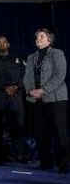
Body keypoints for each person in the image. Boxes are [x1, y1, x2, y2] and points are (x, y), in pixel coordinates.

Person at [23, 28, 69, 173]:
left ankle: (64, 164)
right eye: (37, 36)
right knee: (41, 132)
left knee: (59, 133)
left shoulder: (57, 53)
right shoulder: (31, 57)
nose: (38, 38)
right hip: (37, 100)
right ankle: (46, 162)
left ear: (49, 39)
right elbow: (27, 77)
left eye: (41, 36)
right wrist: (30, 91)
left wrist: (43, 90)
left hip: (56, 99)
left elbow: (60, 75)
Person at [0, 36, 26, 164]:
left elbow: (24, 74)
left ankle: (19, 155)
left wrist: (16, 86)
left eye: (4, 42)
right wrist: (4, 87)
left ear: (8, 45)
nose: (2, 44)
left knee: (18, 127)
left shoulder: (18, 59)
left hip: (15, 97)